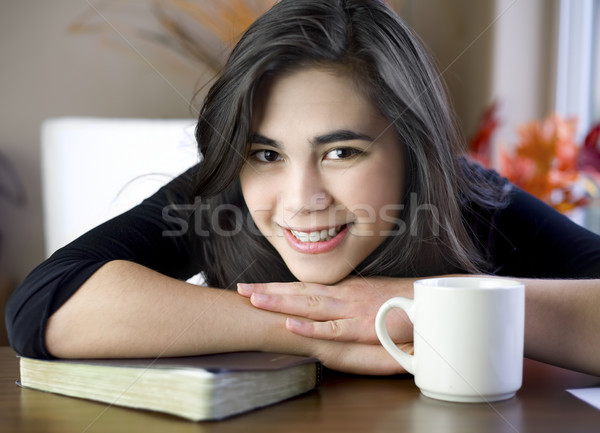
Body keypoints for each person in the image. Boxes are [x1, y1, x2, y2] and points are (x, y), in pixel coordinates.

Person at [6, 0, 600, 376]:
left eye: (340, 151)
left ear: (413, 152)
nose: (299, 198)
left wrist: (431, 303)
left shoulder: (470, 196)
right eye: (266, 153)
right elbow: (44, 305)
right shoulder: (224, 193)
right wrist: (329, 327)